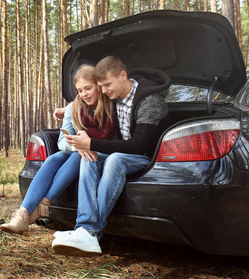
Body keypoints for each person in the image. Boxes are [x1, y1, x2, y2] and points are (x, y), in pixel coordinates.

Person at [51, 56, 171, 256]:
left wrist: (91, 142)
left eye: (107, 85)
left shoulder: (150, 100)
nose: (104, 91)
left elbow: (140, 144)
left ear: (123, 75)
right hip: (125, 153)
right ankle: (83, 229)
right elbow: (89, 104)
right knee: (89, 157)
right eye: (101, 86)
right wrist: (67, 110)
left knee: (113, 158)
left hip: (148, 157)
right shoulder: (117, 98)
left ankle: (91, 232)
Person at [0, 65, 116, 234]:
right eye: (80, 90)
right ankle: (22, 215)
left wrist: (86, 146)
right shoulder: (73, 108)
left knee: (80, 156)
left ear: (98, 85)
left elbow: (116, 139)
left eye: (88, 88)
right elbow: (62, 141)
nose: (84, 94)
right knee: (54, 158)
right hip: (79, 152)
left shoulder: (111, 105)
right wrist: (77, 145)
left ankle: (45, 203)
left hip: (103, 153)